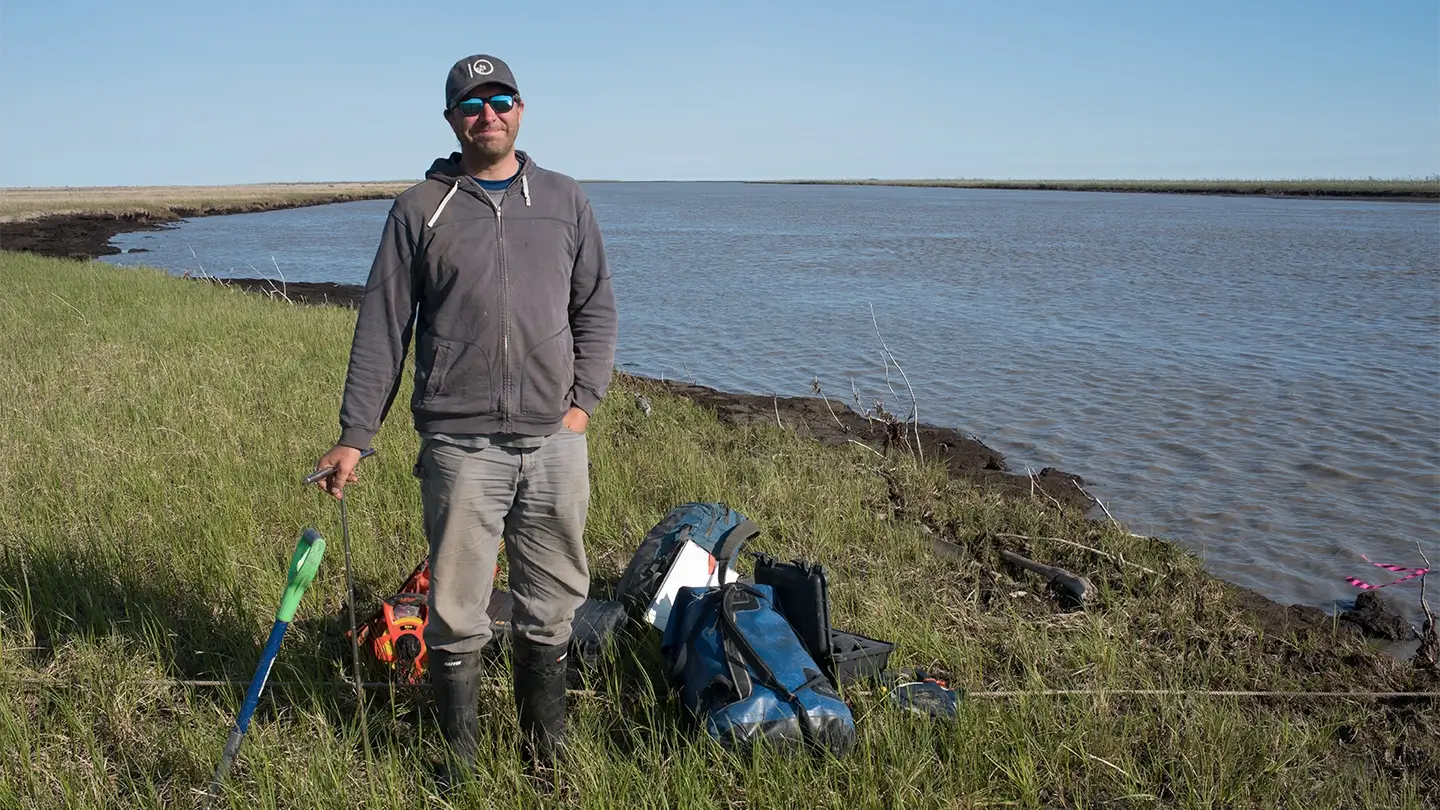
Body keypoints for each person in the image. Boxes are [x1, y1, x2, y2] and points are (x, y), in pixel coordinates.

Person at [313, 52, 617, 789]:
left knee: (552, 608)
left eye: (501, 98)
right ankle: (459, 769)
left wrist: (581, 409)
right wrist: (357, 436)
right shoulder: (421, 208)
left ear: (521, 108)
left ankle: (547, 761)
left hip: (552, 443)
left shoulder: (566, 198)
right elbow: (384, 328)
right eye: (472, 105)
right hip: (459, 446)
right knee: (455, 612)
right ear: (453, 120)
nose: (489, 114)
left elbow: (596, 309)